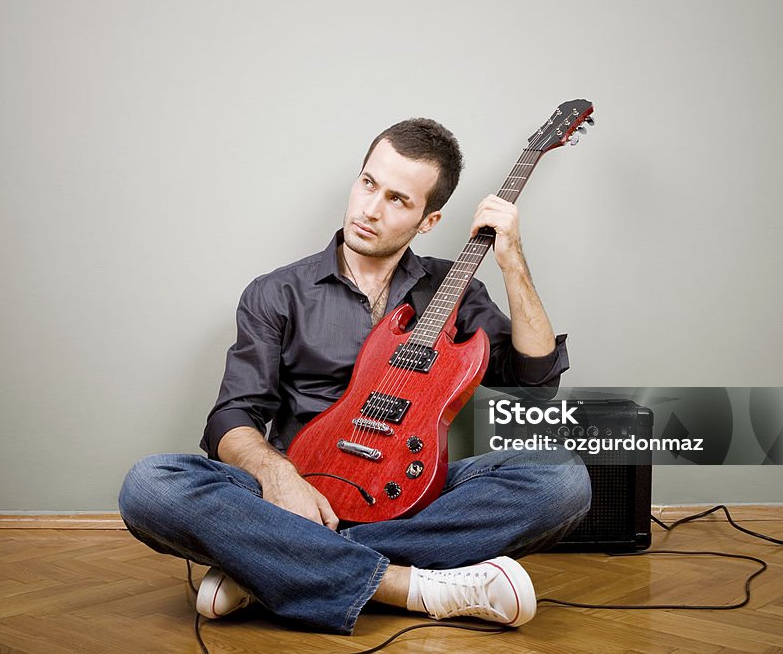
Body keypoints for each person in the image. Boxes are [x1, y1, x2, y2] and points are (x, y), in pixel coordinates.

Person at [118, 118, 591, 635]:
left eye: (397, 199)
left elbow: (536, 379)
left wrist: (512, 262)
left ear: (428, 220)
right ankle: (414, 588)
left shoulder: (454, 292)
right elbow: (233, 415)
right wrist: (281, 481)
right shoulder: (277, 292)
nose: (370, 209)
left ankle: (272, 570)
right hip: (295, 497)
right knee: (151, 484)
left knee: (562, 479)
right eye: (368, 183)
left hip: (415, 494)